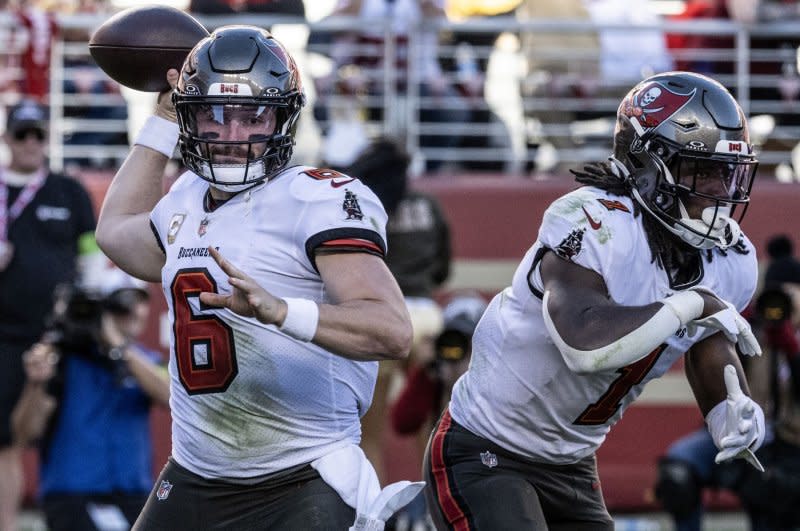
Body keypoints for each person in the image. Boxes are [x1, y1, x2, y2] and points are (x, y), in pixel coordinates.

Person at [95, 25, 420, 530]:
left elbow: (392, 330)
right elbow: (116, 233)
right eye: (213, 114)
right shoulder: (183, 197)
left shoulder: (317, 199)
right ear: (189, 117)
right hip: (195, 473)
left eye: (253, 116)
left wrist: (282, 311)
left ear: (283, 118)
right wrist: (159, 120)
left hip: (301, 477)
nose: (230, 135)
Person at [423, 71, 765, 530]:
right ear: (649, 167)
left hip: (573, 465)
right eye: (701, 172)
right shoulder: (591, 220)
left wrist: (728, 404)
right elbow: (584, 343)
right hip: (487, 448)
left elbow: (703, 338)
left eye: (726, 174)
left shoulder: (732, 258)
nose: (719, 193)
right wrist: (694, 303)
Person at [0, 99, 99, 531]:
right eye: (21, 134)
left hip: (60, 337)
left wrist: (88, 304)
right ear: (6, 139)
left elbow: (92, 255)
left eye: (38, 134)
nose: (30, 143)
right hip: (4, 338)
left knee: (63, 436)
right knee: (6, 441)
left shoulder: (68, 189)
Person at [11, 272, 170, 531]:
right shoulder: (63, 360)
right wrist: (36, 383)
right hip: (73, 495)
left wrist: (117, 348)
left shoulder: (146, 361)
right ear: (102, 309)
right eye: (122, 304)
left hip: (133, 495)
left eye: (141, 302)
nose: (135, 312)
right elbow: (25, 433)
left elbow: (169, 396)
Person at [345, 137, 452, 482]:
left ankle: (376, 517)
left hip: (384, 320)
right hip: (428, 320)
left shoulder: (365, 207)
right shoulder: (429, 206)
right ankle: (441, 512)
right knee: (432, 433)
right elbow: (443, 268)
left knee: (370, 435)